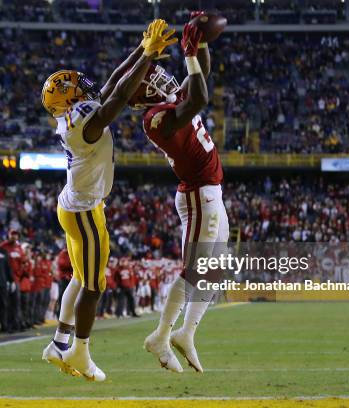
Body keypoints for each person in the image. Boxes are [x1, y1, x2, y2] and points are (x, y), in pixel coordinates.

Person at [40, 19, 177, 382]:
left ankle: (59, 343)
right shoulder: (80, 123)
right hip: (83, 210)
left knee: (79, 279)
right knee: (94, 285)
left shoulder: (73, 113)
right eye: (72, 85)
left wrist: (142, 50)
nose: (80, 83)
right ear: (66, 98)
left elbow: (113, 83)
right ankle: (81, 353)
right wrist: (146, 58)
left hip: (78, 205)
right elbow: (115, 99)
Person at [128, 13, 229, 373]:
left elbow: (204, 75)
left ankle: (186, 332)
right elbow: (200, 95)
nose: (159, 75)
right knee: (193, 270)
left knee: (214, 268)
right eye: (151, 77)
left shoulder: (170, 99)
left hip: (211, 190)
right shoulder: (156, 118)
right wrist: (187, 51)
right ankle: (160, 334)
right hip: (198, 194)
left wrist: (198, 43)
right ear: (141, 93)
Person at [0, 229, 27, 332]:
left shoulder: (19, 248)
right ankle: (6, 326)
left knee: (16, 303)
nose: (14, 237)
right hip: (5, 278)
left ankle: (16, 324)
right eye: (12, 235)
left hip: (15, 279)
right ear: (9, 235)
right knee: (6, 303)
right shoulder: (3, 246)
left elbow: (23, 261)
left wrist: (19, 274)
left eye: (16, 235)